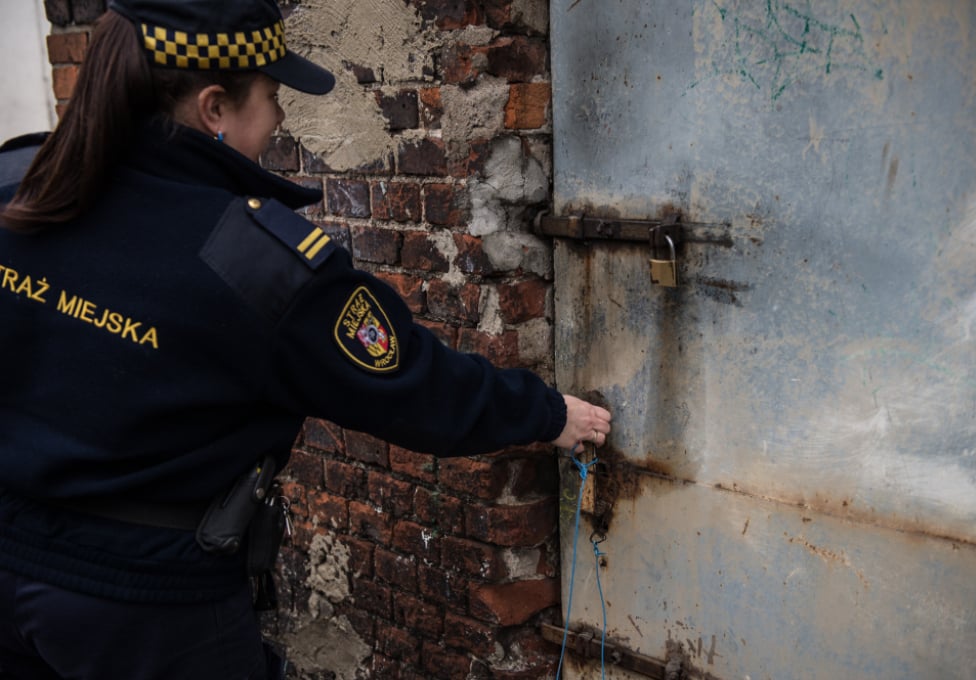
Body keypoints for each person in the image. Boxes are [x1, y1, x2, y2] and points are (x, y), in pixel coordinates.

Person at [0, 1, 612, 678]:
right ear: (214, 110)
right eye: (270, 97)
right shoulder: (255, 262)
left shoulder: (17, 186)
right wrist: (551, 413)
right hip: (147, 608)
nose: (280, 119)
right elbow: (414, 387)